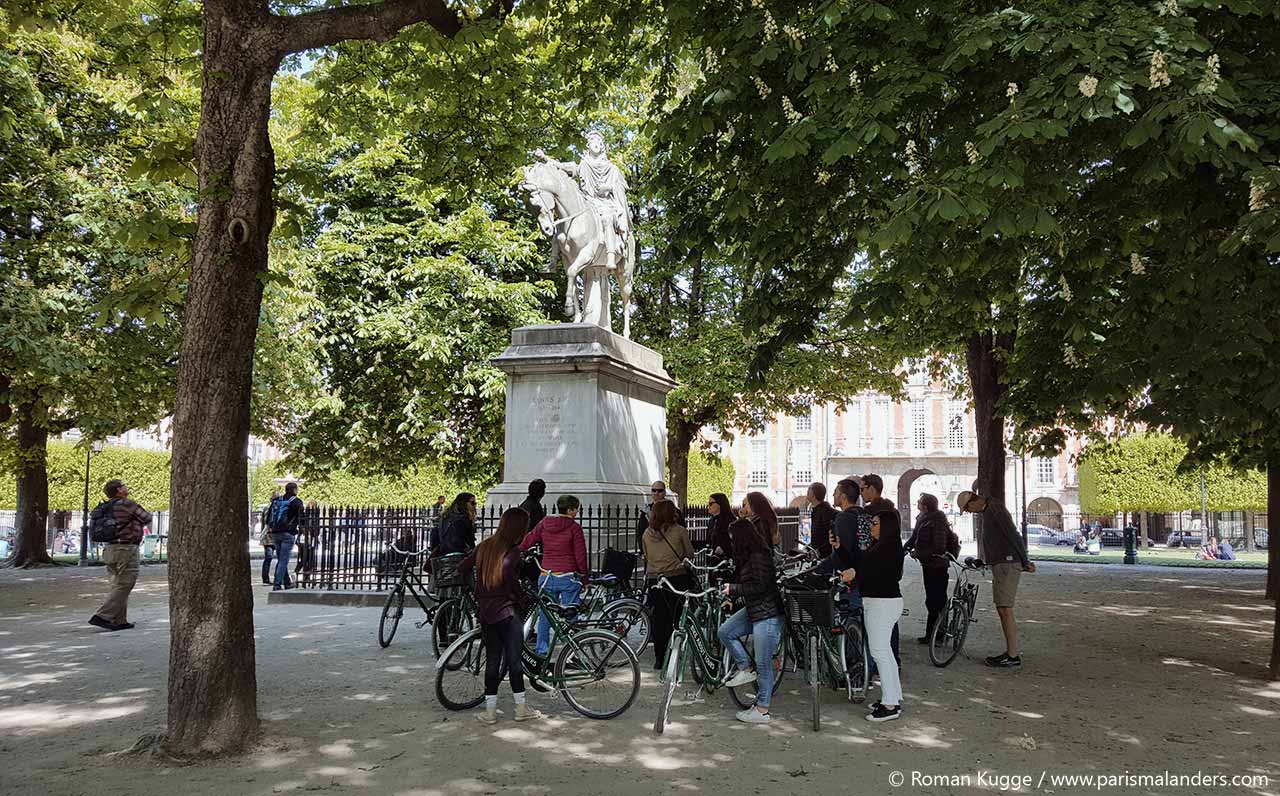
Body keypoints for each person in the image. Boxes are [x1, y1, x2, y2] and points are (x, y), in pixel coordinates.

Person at [460, 508, 543, 725]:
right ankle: (521, 707)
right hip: (507, 612)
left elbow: (462, 567)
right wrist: (519, 596)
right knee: (514, 660)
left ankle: (489, 712)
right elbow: (509, 577)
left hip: (486, 612)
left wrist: (476, 590)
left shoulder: (484, 546)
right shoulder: (513, 552)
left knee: (493, 660)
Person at [958, 489, 1036, 667]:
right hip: (1001, 562)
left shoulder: (995, 510)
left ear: (972, 501)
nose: (969, 512)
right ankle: (1011, 653)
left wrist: (1025, 561)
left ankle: (1012, 655)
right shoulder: (990, 509)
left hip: (1007, 563)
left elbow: (1013, 534)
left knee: (1005, 608)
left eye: (967, 509)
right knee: (1003, 608)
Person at [718, 518, 785, 723]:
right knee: (725, 631)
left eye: (732, 538)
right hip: (755, 610)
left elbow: (761, 587)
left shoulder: (758, 556)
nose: (730, 542)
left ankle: (762, 710)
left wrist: (734, 589)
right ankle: (746, 667)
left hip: (768, 614)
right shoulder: (748, 557)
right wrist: (734, 599)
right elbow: (750, 585)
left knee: (764, 664)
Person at [843, 510, 905, 722]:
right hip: (881, 601)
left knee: (879, 652)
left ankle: (890, 704)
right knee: (884, 652)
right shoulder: (885, 546)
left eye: (876, 523)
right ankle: (893, 697)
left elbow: (875, 572)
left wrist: (857, 573)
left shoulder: (888, 548)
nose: (872, 527)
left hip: (881, 602)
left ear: (886, 525)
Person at [520, 495, 588, 656]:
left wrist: (514, 549)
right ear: (570, 509)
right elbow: (580, 556)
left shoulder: (545, 523)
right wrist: (585, 578)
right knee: (571, 616)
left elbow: (527, 541)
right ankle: (572, 654)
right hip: (567, 577)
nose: (577, 511)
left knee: (545, 616)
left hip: (546, 575)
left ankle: (541, 651)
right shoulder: (574, 528)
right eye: (576, 508)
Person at [88, 479, 152, 631]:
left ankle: (119, 620)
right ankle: (102, 616)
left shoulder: (105, 507)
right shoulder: (126, 504)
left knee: (117, 585)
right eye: (124, 485)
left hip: (109, 549)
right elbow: (147, 517)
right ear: (119, 490)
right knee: (125, 584)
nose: (127, 486)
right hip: (126, 548)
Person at [642, 498, 696, 670]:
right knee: (677, 617)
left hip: (654, 579)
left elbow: (646, 555)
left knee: (659, 619)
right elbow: (689, 553)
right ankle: (675, 651)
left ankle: (659, 657)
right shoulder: (680, 531)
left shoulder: (646, 534)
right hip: (676, 577)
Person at [904, 494, 960, 643]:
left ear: (925, 506)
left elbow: (939, 548)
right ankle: (932, 634)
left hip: (937, 566)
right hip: (928, 565)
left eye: (919, 502)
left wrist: (918, 553)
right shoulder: (923, 518)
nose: (917, 503)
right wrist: (903, 550)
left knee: (937, 600)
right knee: (931, 600)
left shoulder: (937, 521)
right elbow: (914, 538)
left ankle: (938, 635)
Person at [858, 474, 900, 663]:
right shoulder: (892, 510)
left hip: (873, 572)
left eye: (862, 488)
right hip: (891, 572)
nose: (861, 492)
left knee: (874, 624)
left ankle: (876, 662)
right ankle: (894, 657)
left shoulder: (868, 513)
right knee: (891, 623)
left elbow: (864, 543)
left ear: (872, 489)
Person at [270, 483, 305, 591]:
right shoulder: (297, 502)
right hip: (288, 533)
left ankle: (287, 583)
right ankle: (277, 584)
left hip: (275, 533)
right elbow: (302, 518)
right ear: (294, 490)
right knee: (284, 560)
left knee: (281, 559)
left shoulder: (277, 500)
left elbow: (268, 518)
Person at [433, 493, 477, 557]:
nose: (475, 505)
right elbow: (470, 542)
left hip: (443, 554)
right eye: (472, 503)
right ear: (464, 503)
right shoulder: (464, 519)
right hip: (459, 556)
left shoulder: (445, 516)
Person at [807, 482, 837, 558]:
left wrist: (819, 551)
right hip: (819, 554)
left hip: (825, 556)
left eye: (808, 490)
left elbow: (828, 535)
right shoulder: (817, 510)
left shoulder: (825, 512)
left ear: (813, 494)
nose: (807, 492)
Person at [636, 481, 668, 547]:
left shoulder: (672, 510)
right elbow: (640, 532)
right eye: (654, 490)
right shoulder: (645, 511)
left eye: (660, 491)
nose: (656, 493)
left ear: (665, 493)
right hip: (651, 549)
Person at [260, 490, 282, 585]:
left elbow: (263, 523)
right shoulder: (274, 508)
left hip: (268, 536)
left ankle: (267, 579)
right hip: (272, 536)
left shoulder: (267, 508)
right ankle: (276, 578)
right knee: (277, 558)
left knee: (268, 558)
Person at [705, 493, 734, 563]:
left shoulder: (730, 521)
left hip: (725, 560)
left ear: (720, 504)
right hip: (712, 559)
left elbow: (735, 541)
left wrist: (724, 548)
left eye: (711, 503)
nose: (708, 506)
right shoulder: (711, 521)